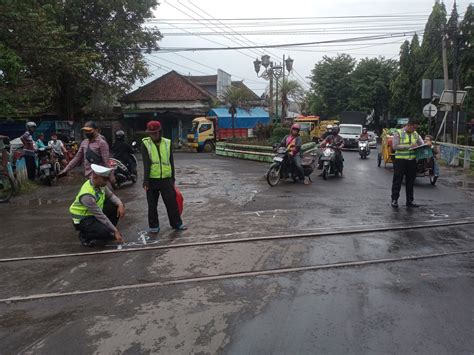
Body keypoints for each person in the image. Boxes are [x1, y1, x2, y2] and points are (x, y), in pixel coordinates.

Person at [142, 121, 186, 233]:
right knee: (152, 205)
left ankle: (177, 224)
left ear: (160, 132)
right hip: (152, 180)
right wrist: (146, 181)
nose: (153, 135)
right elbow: (146, 164)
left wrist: (173, 178)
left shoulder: (167, 143)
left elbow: (171, 161)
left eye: (155, 133)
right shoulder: (145, 144)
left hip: (166, 179)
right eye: (151, 133)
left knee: (171, 203)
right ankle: (153, 226)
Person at [69, 164, 125, 247]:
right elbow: (100, 216)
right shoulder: (87, 195)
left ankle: (108, 231)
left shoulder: (101, 185)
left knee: (116, 206)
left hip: (93, 214)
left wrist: (120, 204)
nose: (107, 182)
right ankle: (85, 236)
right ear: (95, 177)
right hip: (83, 219)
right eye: (105, 180)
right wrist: (115, 231)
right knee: (103, 231)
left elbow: (111, 196)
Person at [390, 119, 424, 208]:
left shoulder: (416, 134)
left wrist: (424, 145)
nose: (414, 130)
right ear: (408, 125)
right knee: (397, 181)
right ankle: (394, 200)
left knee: (410, 182)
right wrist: (409, 146)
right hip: (400, 161)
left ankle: (410, 201)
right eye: (413, 127)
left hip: (412, 161)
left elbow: (421, 144)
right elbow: (395, 146)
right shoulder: (398, 132)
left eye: (416, 128)